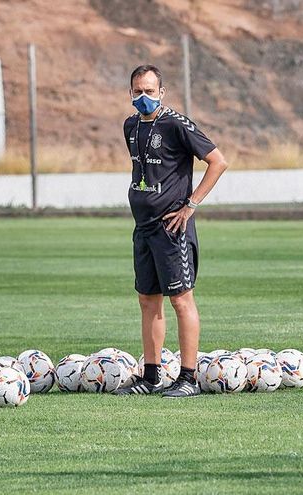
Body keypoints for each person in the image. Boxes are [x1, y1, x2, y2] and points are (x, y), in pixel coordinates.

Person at [114, 65, 228, 398]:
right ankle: (151, 377)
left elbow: (218, 161)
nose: (143, 97)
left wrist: (191, 205)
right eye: (138, 91)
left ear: (161, 93)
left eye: (150, 91)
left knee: (180, 299)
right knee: (147, 300)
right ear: (130, 93)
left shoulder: (177, 124)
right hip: (143, 227)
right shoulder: (130, 125)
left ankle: (188, 378)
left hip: (172, 228)